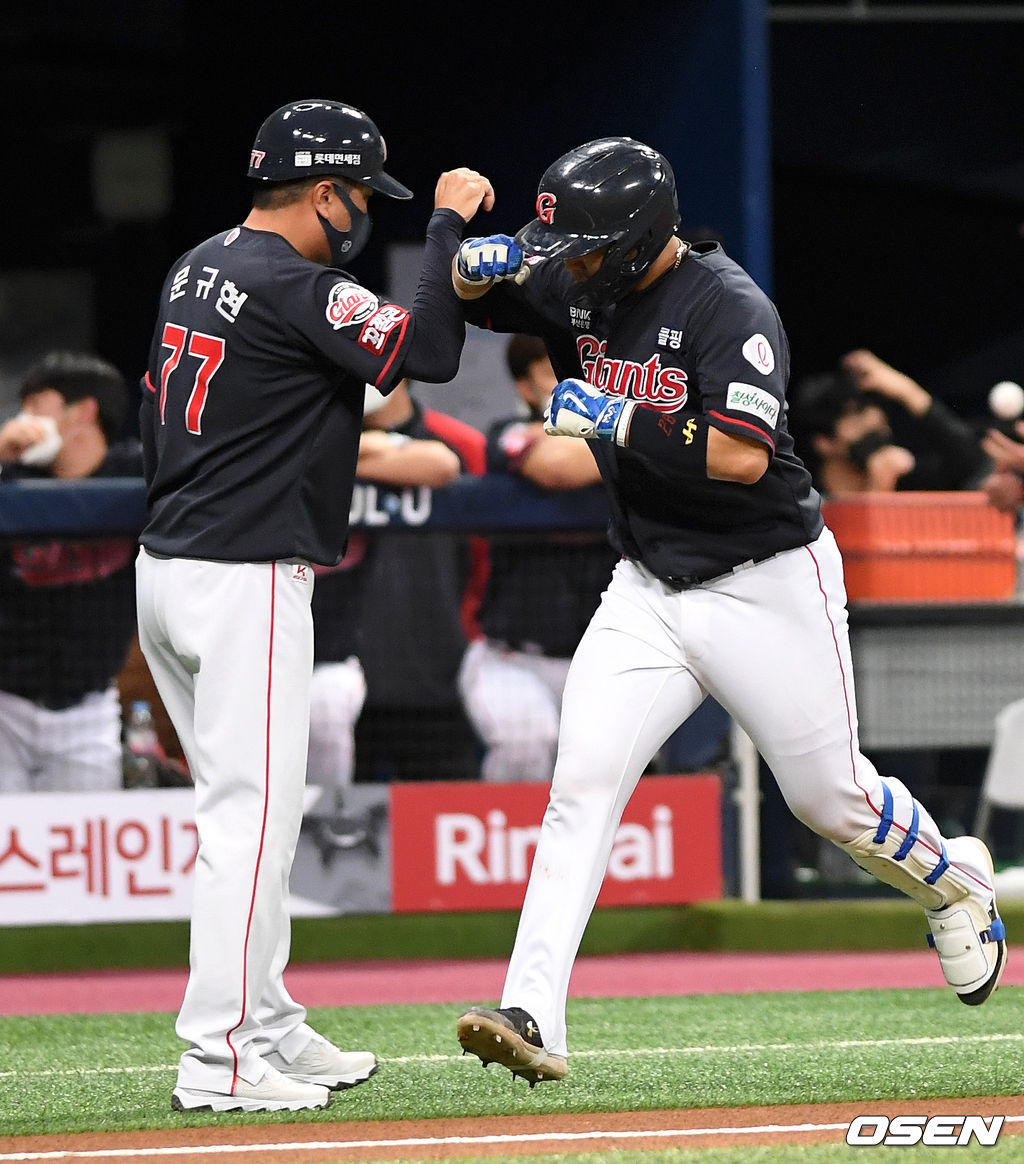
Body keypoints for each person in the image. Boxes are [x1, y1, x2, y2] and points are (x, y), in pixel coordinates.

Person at [449, 137, 1007, 1084]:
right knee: (580, 787)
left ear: (635, 240)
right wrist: (472, 260)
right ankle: (533, 1012)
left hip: (765, 580)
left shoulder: (730, 306)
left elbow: (744, 453)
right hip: (646, 589)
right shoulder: (582, 278)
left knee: (830, 799)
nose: (569, 263)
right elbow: (477, 299)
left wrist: (620, 418)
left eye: (585, 245)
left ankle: (958, 883)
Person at [134, 97, 496, 1113]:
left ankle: (267, 1023)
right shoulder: (292, 281)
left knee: (253, 820)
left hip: (170, 566)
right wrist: (446, 225)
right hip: (240, 576)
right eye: (358, 196)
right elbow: (425, 355)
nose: (361, 214)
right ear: (326, 189)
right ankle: (219, 1060)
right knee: (249, 828)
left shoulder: (197, 262)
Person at [307, 378, 484, 791]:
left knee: (442, 827)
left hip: (432, 670)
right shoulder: (307, 433)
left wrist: (337, 457)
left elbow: (443, 468)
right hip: (330, 665)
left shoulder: (457, 441)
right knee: (328, 827)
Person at [458, 333, 618, 782]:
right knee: (525, 740)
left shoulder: (619, 427)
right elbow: (555, 467)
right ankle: (504, 848)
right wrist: (626, 451)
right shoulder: (504, 434)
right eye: (553, 372)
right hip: (513, 656)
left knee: (600, 772)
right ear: (527, 389)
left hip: (597, 660)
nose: (573, 382)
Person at [0, 351, 142, 793]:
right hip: (5, 706)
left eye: (35, 405)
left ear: (81, 411)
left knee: (82, 849)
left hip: (89, 707)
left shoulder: (139, 471)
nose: (23, 419)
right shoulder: (10, 474)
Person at [788, 349, 988, 497]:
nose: (876, 419)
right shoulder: (805, 501)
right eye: (858, 413)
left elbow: (971, 466)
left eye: (877, 408)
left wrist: (909, 393)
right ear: (823, 442)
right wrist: (877, 493)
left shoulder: (903, 477)